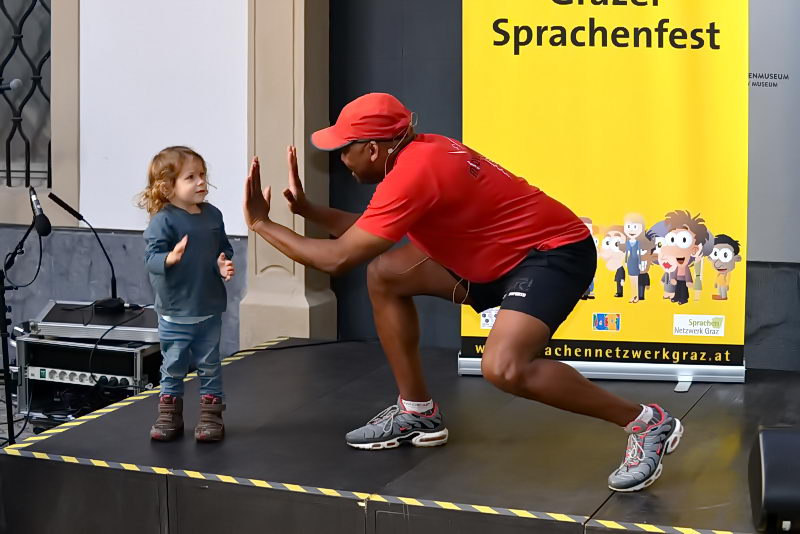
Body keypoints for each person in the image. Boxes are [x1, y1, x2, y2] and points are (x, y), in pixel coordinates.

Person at [242, 93, 683, 491]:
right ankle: (417, 413)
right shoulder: (417, 153)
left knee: (504, 368)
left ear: (373, 149)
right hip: (485, 256)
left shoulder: (415, 172)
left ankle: (647, 423)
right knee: (386, 274)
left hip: (550, 253)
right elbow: (369, 232)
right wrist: (308, 210)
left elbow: (338, 258)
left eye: (345, 149)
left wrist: (262, 224)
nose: (342, 159)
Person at [140, 146, 235, 442]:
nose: (201, 182)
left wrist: (222, 264)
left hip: (208, 308)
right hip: (175, 311)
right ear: (167, 187)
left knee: (210, 365)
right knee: (173, 365)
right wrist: (169, 258)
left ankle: (211, 416)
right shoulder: (163, 221)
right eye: (190, 177)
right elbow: (151, 259)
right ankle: (169, 414)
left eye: (202, 175)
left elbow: (224, 248)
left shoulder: (213, 215)